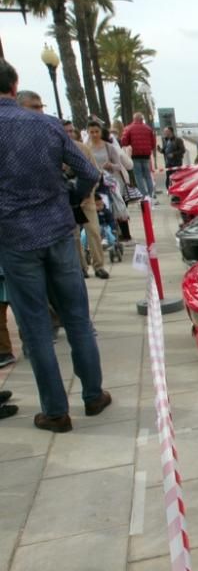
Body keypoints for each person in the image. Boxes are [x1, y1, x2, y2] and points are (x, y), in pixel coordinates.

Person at [0, 58, 112, 432]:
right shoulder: (45, 125)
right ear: (15, 87)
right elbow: (89, 173)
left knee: (35, 327)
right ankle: (93, 395)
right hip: (57, 230)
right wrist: (66, 200)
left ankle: (54, 410)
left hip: (15, 238)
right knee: (77, 316)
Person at [73, 121, 109, 279]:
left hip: (87, 198)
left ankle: (99, 266)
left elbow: (95, 173)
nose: (67, 135)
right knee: (74, 237)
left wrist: (89, 192)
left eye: (70, 131)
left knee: (94, 232)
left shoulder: (83, 149)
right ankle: (81, 267)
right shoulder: (53, 150)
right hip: (68, 202)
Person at [120, 112, 156, 200]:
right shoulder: (148, 129)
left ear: (134, 119)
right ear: (142, 119)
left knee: (138, 175)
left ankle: (143, 195)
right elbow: (153, 143)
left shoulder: (129, 128)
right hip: (146, 155)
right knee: (147, 175)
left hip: (135, 155)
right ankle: (151, 193)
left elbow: (124, 141)